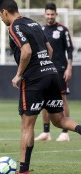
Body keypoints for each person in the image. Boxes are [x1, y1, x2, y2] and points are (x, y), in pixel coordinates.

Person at [0, 0, 81, 174]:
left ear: (4, 12)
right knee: (59, 120)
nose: (1, 19)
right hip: (51, 73)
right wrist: (45, 67)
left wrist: (19, 75)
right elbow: (49, 49)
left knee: (27, 126)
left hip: (34, 79)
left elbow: (26, 52)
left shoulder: (14, 27)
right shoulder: (33, 23)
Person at [35, 2, 74, 142]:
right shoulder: (41, 30)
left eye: (52, 14)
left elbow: (69, 50)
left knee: (62, 99)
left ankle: (65, 132)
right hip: (45, 70)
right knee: (45, 101)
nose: (50, 16)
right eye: (48, 14)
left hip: (61, 70)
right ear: (44, 14)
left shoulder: (63, 30)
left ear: (56, 14)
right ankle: (46, 132)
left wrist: (69, 67)